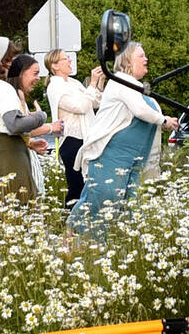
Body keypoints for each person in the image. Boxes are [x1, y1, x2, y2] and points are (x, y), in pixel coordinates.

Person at [71, 42, 176, 235]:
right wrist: (164, 120)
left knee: (127, 208)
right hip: (110, 156)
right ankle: (74, 244)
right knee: (100, 203)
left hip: (132, 161)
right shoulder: (121, 81)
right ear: (127, 60)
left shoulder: (135, 86)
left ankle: (113, 247)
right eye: (141, 56)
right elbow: (140, 110)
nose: (146, 59)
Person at [0, 38, 57, 205]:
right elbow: (14, 124)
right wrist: (40, 117)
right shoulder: (2, 88)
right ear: (0, 61)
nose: (12, 63)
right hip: (8, 158)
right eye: (9, 58)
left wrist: (29, 142)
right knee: (18, 211)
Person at [44, 49, 102, 207]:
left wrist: (99, 83)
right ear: (54, 66)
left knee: (90, 185)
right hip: (72, 141)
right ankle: (70, 224)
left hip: (86, 138)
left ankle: (84, 222)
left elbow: (95, 103)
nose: (70, 61)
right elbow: (82, 106)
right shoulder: (55, 87)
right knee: (76, 187)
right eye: (65, 58)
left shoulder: (74, 83)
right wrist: (92, 84)